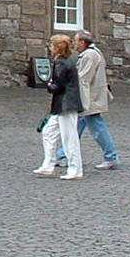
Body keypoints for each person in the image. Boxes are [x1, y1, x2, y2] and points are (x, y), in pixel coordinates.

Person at [33, 33, 84, 180]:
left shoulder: (62, 63)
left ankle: (75, 169)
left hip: (65, 104)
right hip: (62, 105)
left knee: (69, 138)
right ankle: (48, 165)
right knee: (48, 132)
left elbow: (58, 85)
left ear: (57, 48)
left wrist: (49, 85)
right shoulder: (66, 61)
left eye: (52, 46)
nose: (50, 48)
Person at [73, 30, 119, 170]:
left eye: (75, 40)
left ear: (82, 42)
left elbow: (83, 78)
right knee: (75, 126)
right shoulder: (92, 53)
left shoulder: (89, 55)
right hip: (90, 97)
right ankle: (62, 154)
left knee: (97, 127)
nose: (74, 43)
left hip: (90, 98)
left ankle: (111, 157)